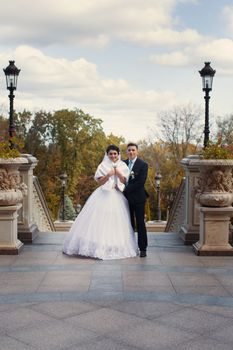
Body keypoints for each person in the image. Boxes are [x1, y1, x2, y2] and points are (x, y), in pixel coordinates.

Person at [63, 144, 137, 260]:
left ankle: (113, 246)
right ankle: (97, 246)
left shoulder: (123, 165)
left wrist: (117, 173)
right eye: (110, 154)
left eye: (115, 154)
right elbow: (100, 182)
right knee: (100, 220)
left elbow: (124, 181)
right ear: (107, 155)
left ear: (118, 154)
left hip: (117, 195)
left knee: (115, 221)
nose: (113, 156)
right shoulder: (102, 165)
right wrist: (108, 175)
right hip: (103, 195)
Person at [123, 143, 148, 257]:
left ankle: (143, 248)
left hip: (138, 198)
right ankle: (130, 246)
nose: (131, 152)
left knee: (140, 223)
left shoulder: (143, 165)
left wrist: (125, 188)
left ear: (137, 151)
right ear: (126, 152)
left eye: (133, 150)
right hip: (125, 199)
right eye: (129, 150)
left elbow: (140, 182)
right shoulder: (123, 164)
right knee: (128, 223)